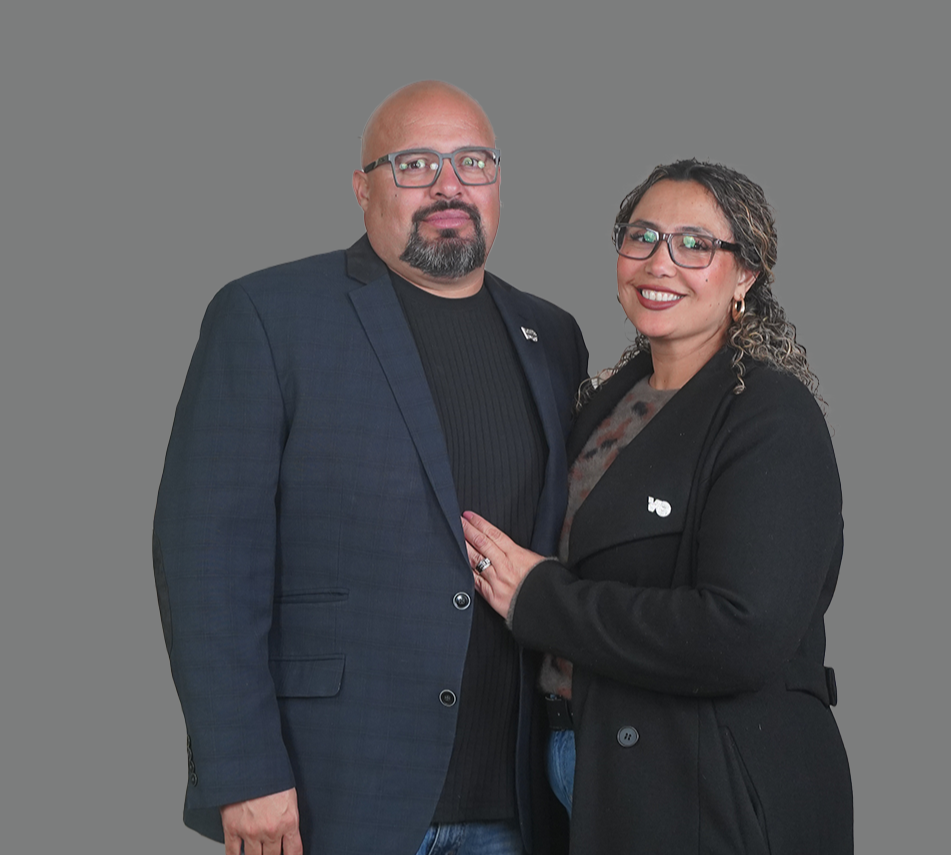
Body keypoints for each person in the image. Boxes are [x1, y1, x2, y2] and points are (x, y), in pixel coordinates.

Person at [152, 80, 587, 855]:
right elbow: (205, 558)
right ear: (362, 187)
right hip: (335, 790)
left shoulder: (551, 335)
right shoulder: (269, 315)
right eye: (415, 163)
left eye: (473, 162)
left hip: (517, 799)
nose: (449, 185)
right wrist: (241, 768)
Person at [462, 159, 853, 854]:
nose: (659, 262)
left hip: (709, 787)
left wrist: (540, 599)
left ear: (745, 273)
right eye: (641, 236)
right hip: (588, 770)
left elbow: (740, 632)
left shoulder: (769, 417)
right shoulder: (608, 403)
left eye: (695, 244)